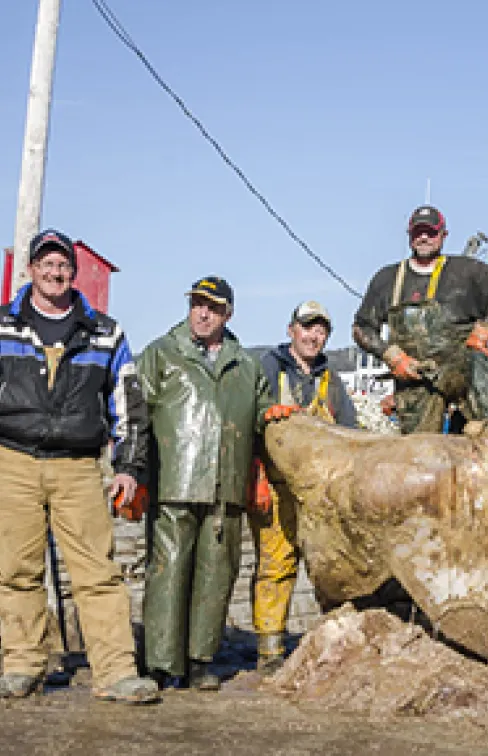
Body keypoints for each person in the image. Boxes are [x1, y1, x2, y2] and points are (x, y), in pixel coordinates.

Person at [0, 229, 160, 704]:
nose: (55, 272)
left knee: (98, 573)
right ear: (31, 270)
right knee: (15, 571)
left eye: (63, 265)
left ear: (73, 273)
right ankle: (21, 665)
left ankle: (115, 673)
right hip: (12, 461)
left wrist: (128, 467)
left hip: (78, 467)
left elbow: (129, 407)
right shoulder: (4, 326)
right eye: (46, 264)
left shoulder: (105, 333)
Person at [138, 276, 284, 690]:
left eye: (213, 307)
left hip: (227, 487)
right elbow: (137, 414)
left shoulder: (247, 364)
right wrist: (136, 473)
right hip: (173, 483)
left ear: (228, 314)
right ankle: (161, 664)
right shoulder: (162, 353)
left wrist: (263, 464)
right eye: (197, 304)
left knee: (216, 574)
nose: (203, 313)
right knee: (167, 572)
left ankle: (201, 659)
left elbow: (262, 421)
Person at [250, 300, 357, 672]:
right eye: (306, 327)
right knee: (276, 564)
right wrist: (256, 477)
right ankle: (269, 650)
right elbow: (250, 422)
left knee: (328, 568)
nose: (313, 336)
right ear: (291, 330)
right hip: (276, 485)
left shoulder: (332, 381)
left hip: (321, 495)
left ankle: (331, 642)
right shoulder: (267, 368)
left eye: (321, 330)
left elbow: (351, 435)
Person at [352, 205, 488, 434]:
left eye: (430, 232)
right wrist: (391, 356)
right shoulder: (387, 279)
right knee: (418, 455)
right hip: (415, 379)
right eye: (418, 232)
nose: (424, 237)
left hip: (467, 373)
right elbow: (362, 327)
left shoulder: (468, 272)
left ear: (443, 235)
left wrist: (487, 327)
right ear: (410, 235)